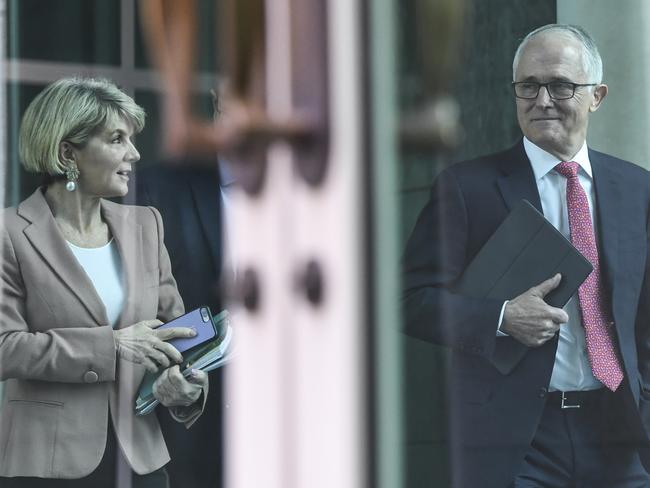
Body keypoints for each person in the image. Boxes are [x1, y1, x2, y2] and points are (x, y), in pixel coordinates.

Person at [403, 24, 650, 487]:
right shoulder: (467, 188)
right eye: (528, 86)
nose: (541, 100)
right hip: (516, 440)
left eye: (560, 85)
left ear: (596, 96)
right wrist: (500, 317)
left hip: (619, 432)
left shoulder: (637, 188)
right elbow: (409, 298)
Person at [0, 77, 209, 487]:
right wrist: (110, 344)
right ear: (68, 152)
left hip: (141, 464)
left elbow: (176, 336)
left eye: (131, 139)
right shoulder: (9, 232)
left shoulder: (147, 225)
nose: (133, 153)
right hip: (46, 466)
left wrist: (184, 385)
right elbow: (5, 347)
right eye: (116, 139)